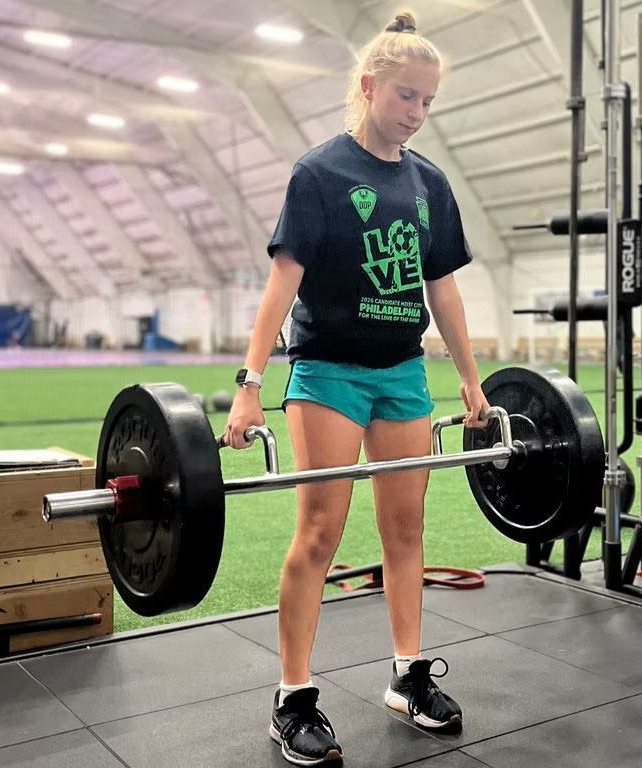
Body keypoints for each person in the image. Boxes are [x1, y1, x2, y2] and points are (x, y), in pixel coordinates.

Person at [223, 10, 491, 766]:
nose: (417, 112)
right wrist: (250, 383)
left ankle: (408, 677)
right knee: (319, 533)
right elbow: (282, 283)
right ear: (369, 87)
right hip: (328, 373)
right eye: (407, 96)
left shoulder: (429, 182)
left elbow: (443, 290)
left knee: (406, 531)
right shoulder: (320, 174)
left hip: (402, 372)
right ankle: (292, 699)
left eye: (428, 100)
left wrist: (470, 381)